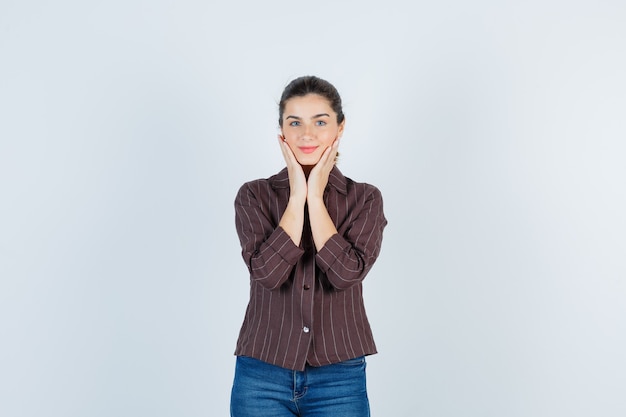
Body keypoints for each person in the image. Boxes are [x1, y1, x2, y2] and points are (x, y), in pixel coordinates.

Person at [230, 76, 387, 417]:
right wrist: (297, 193)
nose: (307, 134)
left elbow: (346, 274)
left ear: (339, 128)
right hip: (262, 372)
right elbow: (267, 274)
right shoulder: (254, 196)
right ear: (282, 132)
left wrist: (315, 197)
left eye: (320, 121)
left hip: (339, 377)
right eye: (295, 122)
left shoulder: (365, 199)